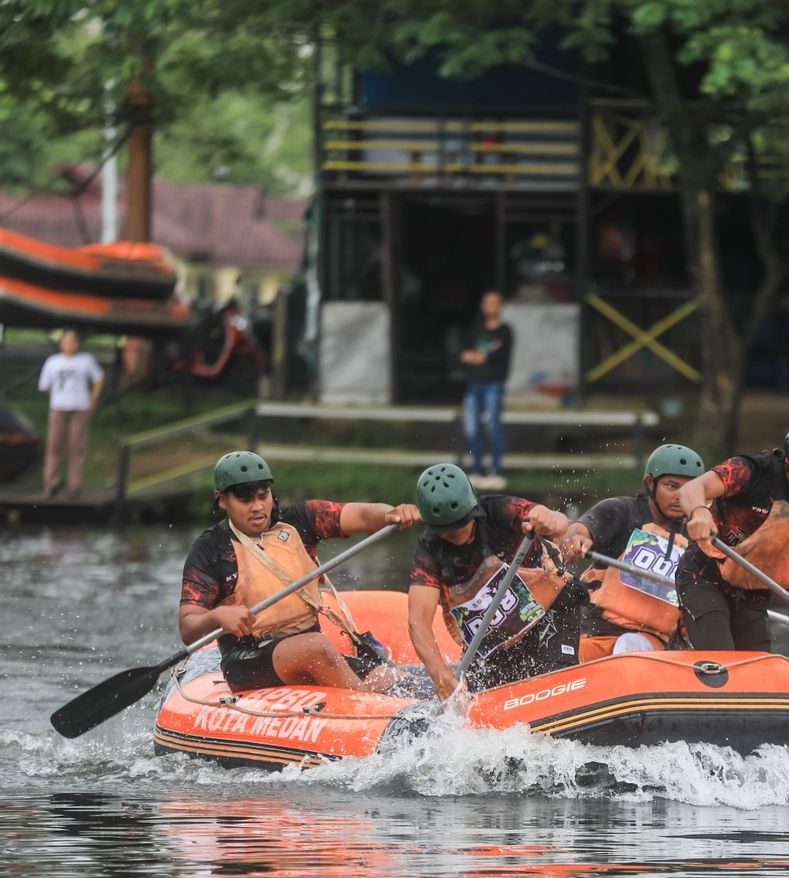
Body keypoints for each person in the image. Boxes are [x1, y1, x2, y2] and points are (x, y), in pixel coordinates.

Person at [178, 451, 420, 693]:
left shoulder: (298, 521)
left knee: (386, 676)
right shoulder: (210, 549)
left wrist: (390, 514)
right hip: (247, 658)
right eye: (245, 500)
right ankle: (368, 705)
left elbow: (360, 515)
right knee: (315, 646)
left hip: (312, 651)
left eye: (263, 496)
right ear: (221, 499)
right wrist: (217, 616)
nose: (257, 507)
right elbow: (188, 627)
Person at [676, 408, 789, 654]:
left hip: (754, 595)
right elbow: (693, 488)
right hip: (703, 578)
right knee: (723, 659)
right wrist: (700, 512)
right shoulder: (752, 471)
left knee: (757, 672)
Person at [406, 463, 574, 699]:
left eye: (461, 526)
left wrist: (546, 518)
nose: (457, 538)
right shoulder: (429, 550)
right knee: (480, 705)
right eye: (446, 533)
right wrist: (440, 674)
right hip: (492, 639)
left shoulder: (500, 509)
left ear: (473, 512)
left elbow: (559, 522)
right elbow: (418, 622)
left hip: (550, 610)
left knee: (552, 686)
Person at [558, 443, 704, 662]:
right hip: (596, 631)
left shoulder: (698, 535)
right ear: (650, 483)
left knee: (631, 646)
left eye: (689, 489)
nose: (679, 497)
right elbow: (581, 529)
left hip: (652, 641)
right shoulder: (620, 511)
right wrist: (575, 539)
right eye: (671, 486)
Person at [37, 327, 104, 496]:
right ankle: (51, 483)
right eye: (66, 341)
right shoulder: (53, 362)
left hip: (80, 408)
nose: (70, 344)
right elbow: (45, 386)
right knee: (54, 445)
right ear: (61, 344)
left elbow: (98, 379)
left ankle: (75, 485)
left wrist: (93, 400)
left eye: (73, 340)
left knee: (76, 447)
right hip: (58, 408)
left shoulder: (86, 360)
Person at [458, 290, 514, 482]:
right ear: (482, 305)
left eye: (495, 302)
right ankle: (477, 468)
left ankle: (496, 469)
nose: (491, 306)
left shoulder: (505, 331)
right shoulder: (475, 329)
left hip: (494, 384)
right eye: (488, 302)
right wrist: (483, 358)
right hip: (474, 384)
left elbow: (498, 357)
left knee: (492, 425)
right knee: (471, 427)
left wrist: (481, 357)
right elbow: (464, 355)